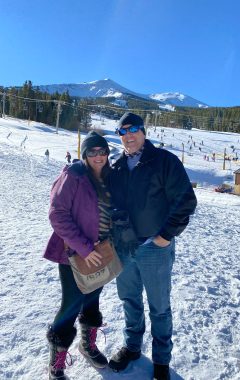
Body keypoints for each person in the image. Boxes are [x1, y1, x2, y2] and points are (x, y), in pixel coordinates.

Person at [108, 112, 197, 380]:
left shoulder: (163, 161)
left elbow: (186, 201)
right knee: (129, 300)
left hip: (154, 248)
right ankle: (133, 347)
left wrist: (165, 236)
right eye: (123, 131)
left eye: (133, 129)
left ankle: (161, 361)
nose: (129, 135)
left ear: (143, 131)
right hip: (124, 249)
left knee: (159, 307)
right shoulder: (117, 167)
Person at [43, 131, 112, 380]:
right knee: (71, 304)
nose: (98, 155)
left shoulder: (108, 177)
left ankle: (87, 345)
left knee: (92, 299)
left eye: (102, 151)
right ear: (84, 154)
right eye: (92, 151)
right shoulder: (74, 175)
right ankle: (57, 361)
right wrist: (85, 247)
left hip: (102, 252)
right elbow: (57, 215)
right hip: (75, 253)